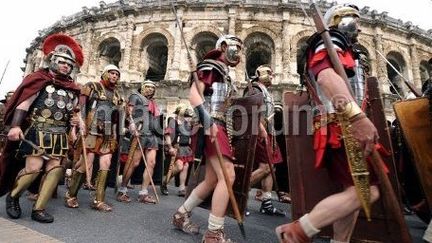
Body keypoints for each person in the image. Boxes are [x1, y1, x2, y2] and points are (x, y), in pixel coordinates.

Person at [276, 4, 381, 242]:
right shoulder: (331, 39)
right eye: (354, 19)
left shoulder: (346, 47)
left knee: (353, 193)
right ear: (338, 20)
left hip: (341, 123)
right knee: (366, 191)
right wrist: (357, 117)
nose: (360, 26)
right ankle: (298, 230)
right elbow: (325, 75)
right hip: (341, 124)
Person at [171, 34, 251, 242]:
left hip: (219, 126)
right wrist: (209, 123)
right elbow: (194, 95)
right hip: (212, 125)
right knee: (228, 176)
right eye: (237, 46)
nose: (239, 52)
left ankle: (181, 214)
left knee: (212, 179)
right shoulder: (212, 66)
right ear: (224, 46)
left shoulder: (224, 72)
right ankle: (214, 233)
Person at [0, 33, 83, 223]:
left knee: (55, 169)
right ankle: (13, 197)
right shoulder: (39, 79)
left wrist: (75, 123)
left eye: (70, 65)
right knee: (34, 168)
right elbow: (24, 104)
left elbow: (73, 112)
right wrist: (15, 127)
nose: (66, 66)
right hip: (38, 131)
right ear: (52, 60)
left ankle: (39, 208)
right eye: (63, 62)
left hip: (60, 134)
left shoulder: (73, 89)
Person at [64, 64, 121, 212]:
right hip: (91, 128)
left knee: (106, 163)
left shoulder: (116, 95)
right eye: (112, 73)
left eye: (117, 74)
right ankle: (71, 195)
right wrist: (81, 122)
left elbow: (115, 118)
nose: (114, 76)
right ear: (105, 73)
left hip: (108, 133)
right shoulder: (92, 86)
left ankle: (98, 200)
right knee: (86, 164)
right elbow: (81, 105)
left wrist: (115, 133)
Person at [246, 65, 285, 216]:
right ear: (258, 74)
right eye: (268, 72)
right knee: (266, 168)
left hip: (269, 132)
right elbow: (252, 112)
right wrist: (260, 129)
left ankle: (266, 203)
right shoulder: (255, 88)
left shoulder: (265, 90)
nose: (271, 75)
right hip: (261, 132)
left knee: (271, 167)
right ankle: (238, 193)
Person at [116, 80, 160, 204]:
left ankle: (143, 193)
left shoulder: (153, 103)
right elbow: (128, 112)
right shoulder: (136, 96)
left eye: (153, 87)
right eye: (148, 87)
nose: (150, 89)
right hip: (139, 133)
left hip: (152, 135)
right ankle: (122, 189)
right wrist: (131, 125)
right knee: (133, 162)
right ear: (143, 87)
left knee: (151, 163)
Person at [160, 104, 194, 196]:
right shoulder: (173, 122)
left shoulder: (187, 123)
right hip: (176, 147)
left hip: (185, 148)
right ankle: (164, 181)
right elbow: (167, 134)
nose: (187, 117)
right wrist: (170, 147)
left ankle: (182, 188)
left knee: (186, 166)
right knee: (179, 166)